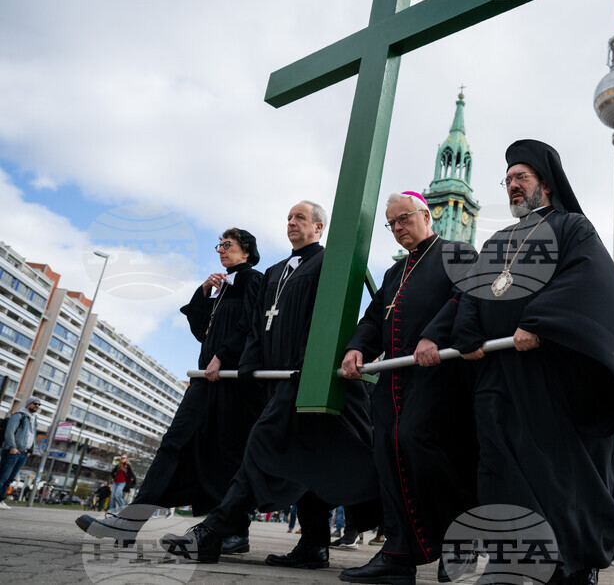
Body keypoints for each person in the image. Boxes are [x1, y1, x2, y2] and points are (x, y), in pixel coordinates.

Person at [451, 140, 614, 584]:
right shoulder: (497, 240)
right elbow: (473, 291)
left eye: (519, 177)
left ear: (545, 183)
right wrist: (467, 332)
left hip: (553, 372)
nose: (511, 186)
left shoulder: (571, 228)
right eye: (506, 180)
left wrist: (539, 322)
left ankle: (569, 562)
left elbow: (587, 281)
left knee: (557, 471)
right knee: (497, 463)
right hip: (499, 371)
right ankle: (512, 559)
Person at [161, 201, 379, 568]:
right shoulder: (276, 271)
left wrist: (305, 366)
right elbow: (256, 324)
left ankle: (212, 532)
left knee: (261, 445)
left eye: (301, 218)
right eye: (289, 218)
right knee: (306, 461)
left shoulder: (330, 264)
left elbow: (326, 322)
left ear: (319, 227)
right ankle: (313, 545)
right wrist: (249, 367)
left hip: (304, 377)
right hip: (274, 383)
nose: (292, 223)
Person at [77, 228, 264, 552]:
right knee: (174, 444)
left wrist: (225, 355)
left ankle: (235, 532)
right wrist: (204, 291)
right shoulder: (221, 288)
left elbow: (252, 324)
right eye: (219, 244)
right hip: (206, 381)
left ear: (246, 251)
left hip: (230, 382)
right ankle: (130, 522)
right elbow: (199, 330)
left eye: (228, 244)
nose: (220, 249)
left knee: (226, 456)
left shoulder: (252, 280)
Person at [339, 191, 478, 585]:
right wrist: (355, 348)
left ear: (426, 215)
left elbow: (464, 297)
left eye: (405, 219)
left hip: (439, 378)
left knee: (425, 449)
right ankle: (398, 556)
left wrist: (433, 334)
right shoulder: (393, 273)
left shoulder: (458, 252)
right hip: (394, 381)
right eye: (392, 224)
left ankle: (460, 541)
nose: (399, 228)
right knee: (387, 457)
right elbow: (372, 319)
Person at [0, 396, 41, 510]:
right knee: (3, 476)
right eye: (34, 403)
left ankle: (1, 499)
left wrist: (30, 450)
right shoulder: (18, 416)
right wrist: (13, 447)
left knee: (10, 479)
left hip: (23, 453)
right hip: (12, 451)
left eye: (38, 404)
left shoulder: (33, 419)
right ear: (28, 404)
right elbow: (9, 432)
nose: (36, 406)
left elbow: (32, 436)